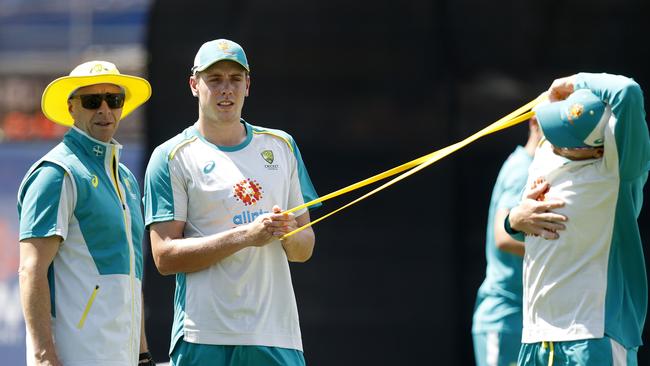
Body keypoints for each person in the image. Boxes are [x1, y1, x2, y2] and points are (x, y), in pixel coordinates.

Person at [143, 39, 320, 366]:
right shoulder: (171, 156)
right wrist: (246, 236)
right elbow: (164, 257)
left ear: (247, 85)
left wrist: (287, 233)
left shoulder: (281, 146)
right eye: (215, 79)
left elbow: (304, 249)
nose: (226, 89)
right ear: (194, 85)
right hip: (204, 335)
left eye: (235, 79)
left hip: (276, 335)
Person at [17, 60, 155, 366]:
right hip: (76, 355)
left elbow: (131, 276)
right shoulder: (56, 173)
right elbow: (31, 270)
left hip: (121, 355)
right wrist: (42, 357)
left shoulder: (127, 179)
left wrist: (142, 352)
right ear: (71, 108)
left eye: (114, 100)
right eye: (93, 101)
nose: (105, 110)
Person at [506, 73, 649, 365]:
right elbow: (523, 231)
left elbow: (628, 92)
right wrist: (515, 219)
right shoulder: (548, 154)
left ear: (597, 147)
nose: (554, 138)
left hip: (592, 334)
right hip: (536, 335)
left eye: (565, 136)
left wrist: (575, 81)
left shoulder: (617, 173)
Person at [472, 117, 542, 366]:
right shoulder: (523, 170)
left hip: (523, 318)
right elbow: (502, 237)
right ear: (535, 123)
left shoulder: (530, 167)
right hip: (504, 317)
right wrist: (557, 253)